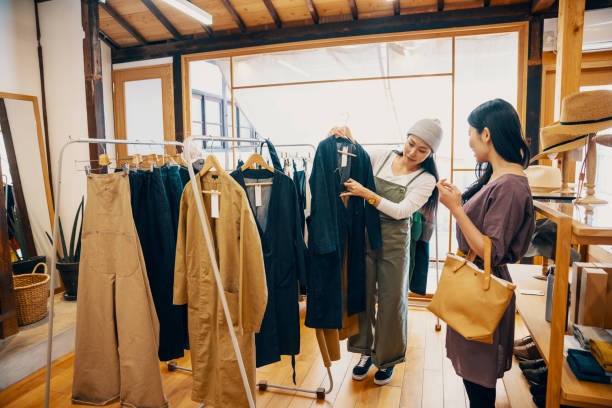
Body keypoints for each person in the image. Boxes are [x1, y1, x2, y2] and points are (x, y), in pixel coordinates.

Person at [437, 99, 535, 407]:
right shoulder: (499, 176)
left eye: (470, 133)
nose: (469, 141)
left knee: (479, 383)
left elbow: (491, 250)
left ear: (487, 134)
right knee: (474, 378)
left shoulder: (510, 185)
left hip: (484, 286)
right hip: (476, 283)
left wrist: (456, 209)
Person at [341, 118, 442, 385]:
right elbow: (357, 155)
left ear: (431, 153)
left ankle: (387, 358)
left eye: (422, 150)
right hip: (366, 235)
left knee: (392, 301)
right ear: (406, 137)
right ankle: (364, 351)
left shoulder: (427, 179)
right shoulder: (382, 156)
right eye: (411, 144)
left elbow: (400, 211)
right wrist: (346, 136)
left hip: (395, 242)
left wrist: (366, 193)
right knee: (363, 294)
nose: (412, 153)